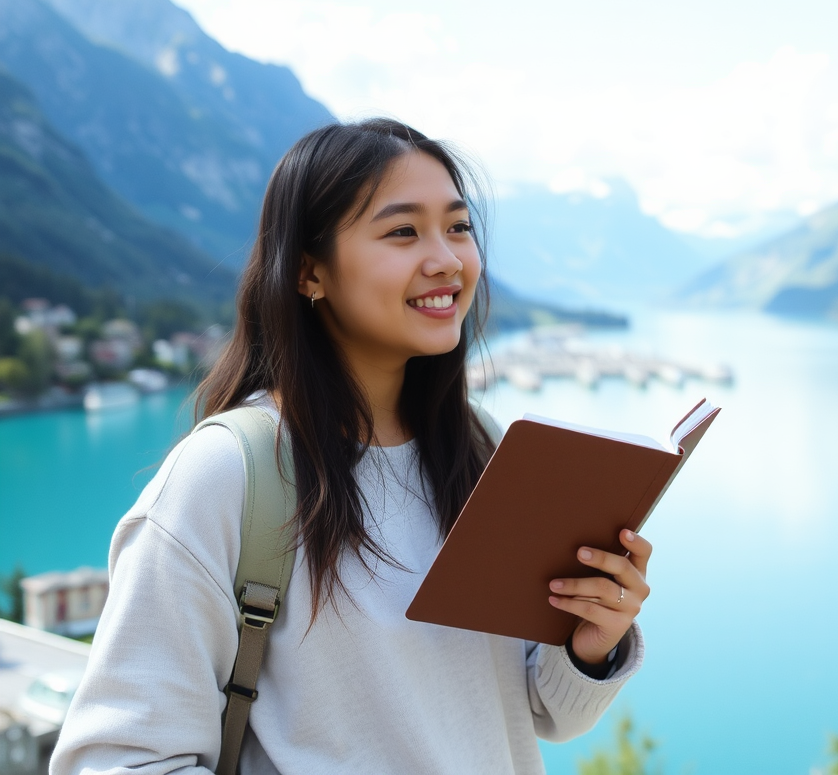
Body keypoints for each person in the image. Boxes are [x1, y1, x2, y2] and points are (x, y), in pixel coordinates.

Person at [51, 119, 652, 775]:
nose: (447, 259)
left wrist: (591, 644)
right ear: (310, 272)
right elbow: (113, 761)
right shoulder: (228, 475)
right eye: (403, 231)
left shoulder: (483, 449)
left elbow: (541, 711)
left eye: (457, 226)